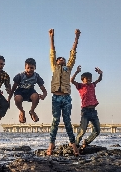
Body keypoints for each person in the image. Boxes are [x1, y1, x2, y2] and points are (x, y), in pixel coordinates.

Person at [47, 28, 80, 157]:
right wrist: (51, 37)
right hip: (56, 97)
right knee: (55, 121)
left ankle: (73, 145)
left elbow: (73, 53)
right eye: (59, 59)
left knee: (67, 121)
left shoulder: (68, 68)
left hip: (66, 98)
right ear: (56, 62)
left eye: (63, 59)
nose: (61, 59)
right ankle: (51, 144)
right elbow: (52, 52)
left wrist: (76, 38)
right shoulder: (54, 67)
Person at [71, 65, 103, 153]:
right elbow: (72, 81)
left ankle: (86, 142)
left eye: (90, 78)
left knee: (97, 131)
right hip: (85, 111)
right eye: (87, 78)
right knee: (82, 130)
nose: (89, 80)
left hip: (93, 112)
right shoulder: (80, 86)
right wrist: (77, 72)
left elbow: (99, 80)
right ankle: (76, 145)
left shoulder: (92, 85)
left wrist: (100, 74)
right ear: (83, 79)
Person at [7, 58, 47, 123]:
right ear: (25, 67)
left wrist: (44, 95)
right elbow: (13, 89)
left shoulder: (36, 76)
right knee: (18, 98)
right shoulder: (20, 76)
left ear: (35, 68)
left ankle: (32, 111)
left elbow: (44, 90)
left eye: (32, 68)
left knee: (36, 96)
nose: (29, 70)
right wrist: (8, 99)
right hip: (20, 91)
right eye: (28, 68)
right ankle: (22, 111)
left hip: (30, 91)